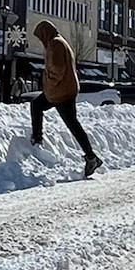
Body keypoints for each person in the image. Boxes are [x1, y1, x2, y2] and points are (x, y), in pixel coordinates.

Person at [29, 20, 102, 178]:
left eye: (40, 37)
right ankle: (91, 157)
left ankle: (91, 157)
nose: (40, 41)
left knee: (71, 123)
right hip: (63, 90)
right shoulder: (60, 41)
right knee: (39, 106)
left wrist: (48, 82)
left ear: (45, 33)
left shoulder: (55, 44)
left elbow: (57, 70)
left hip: (60, 92)